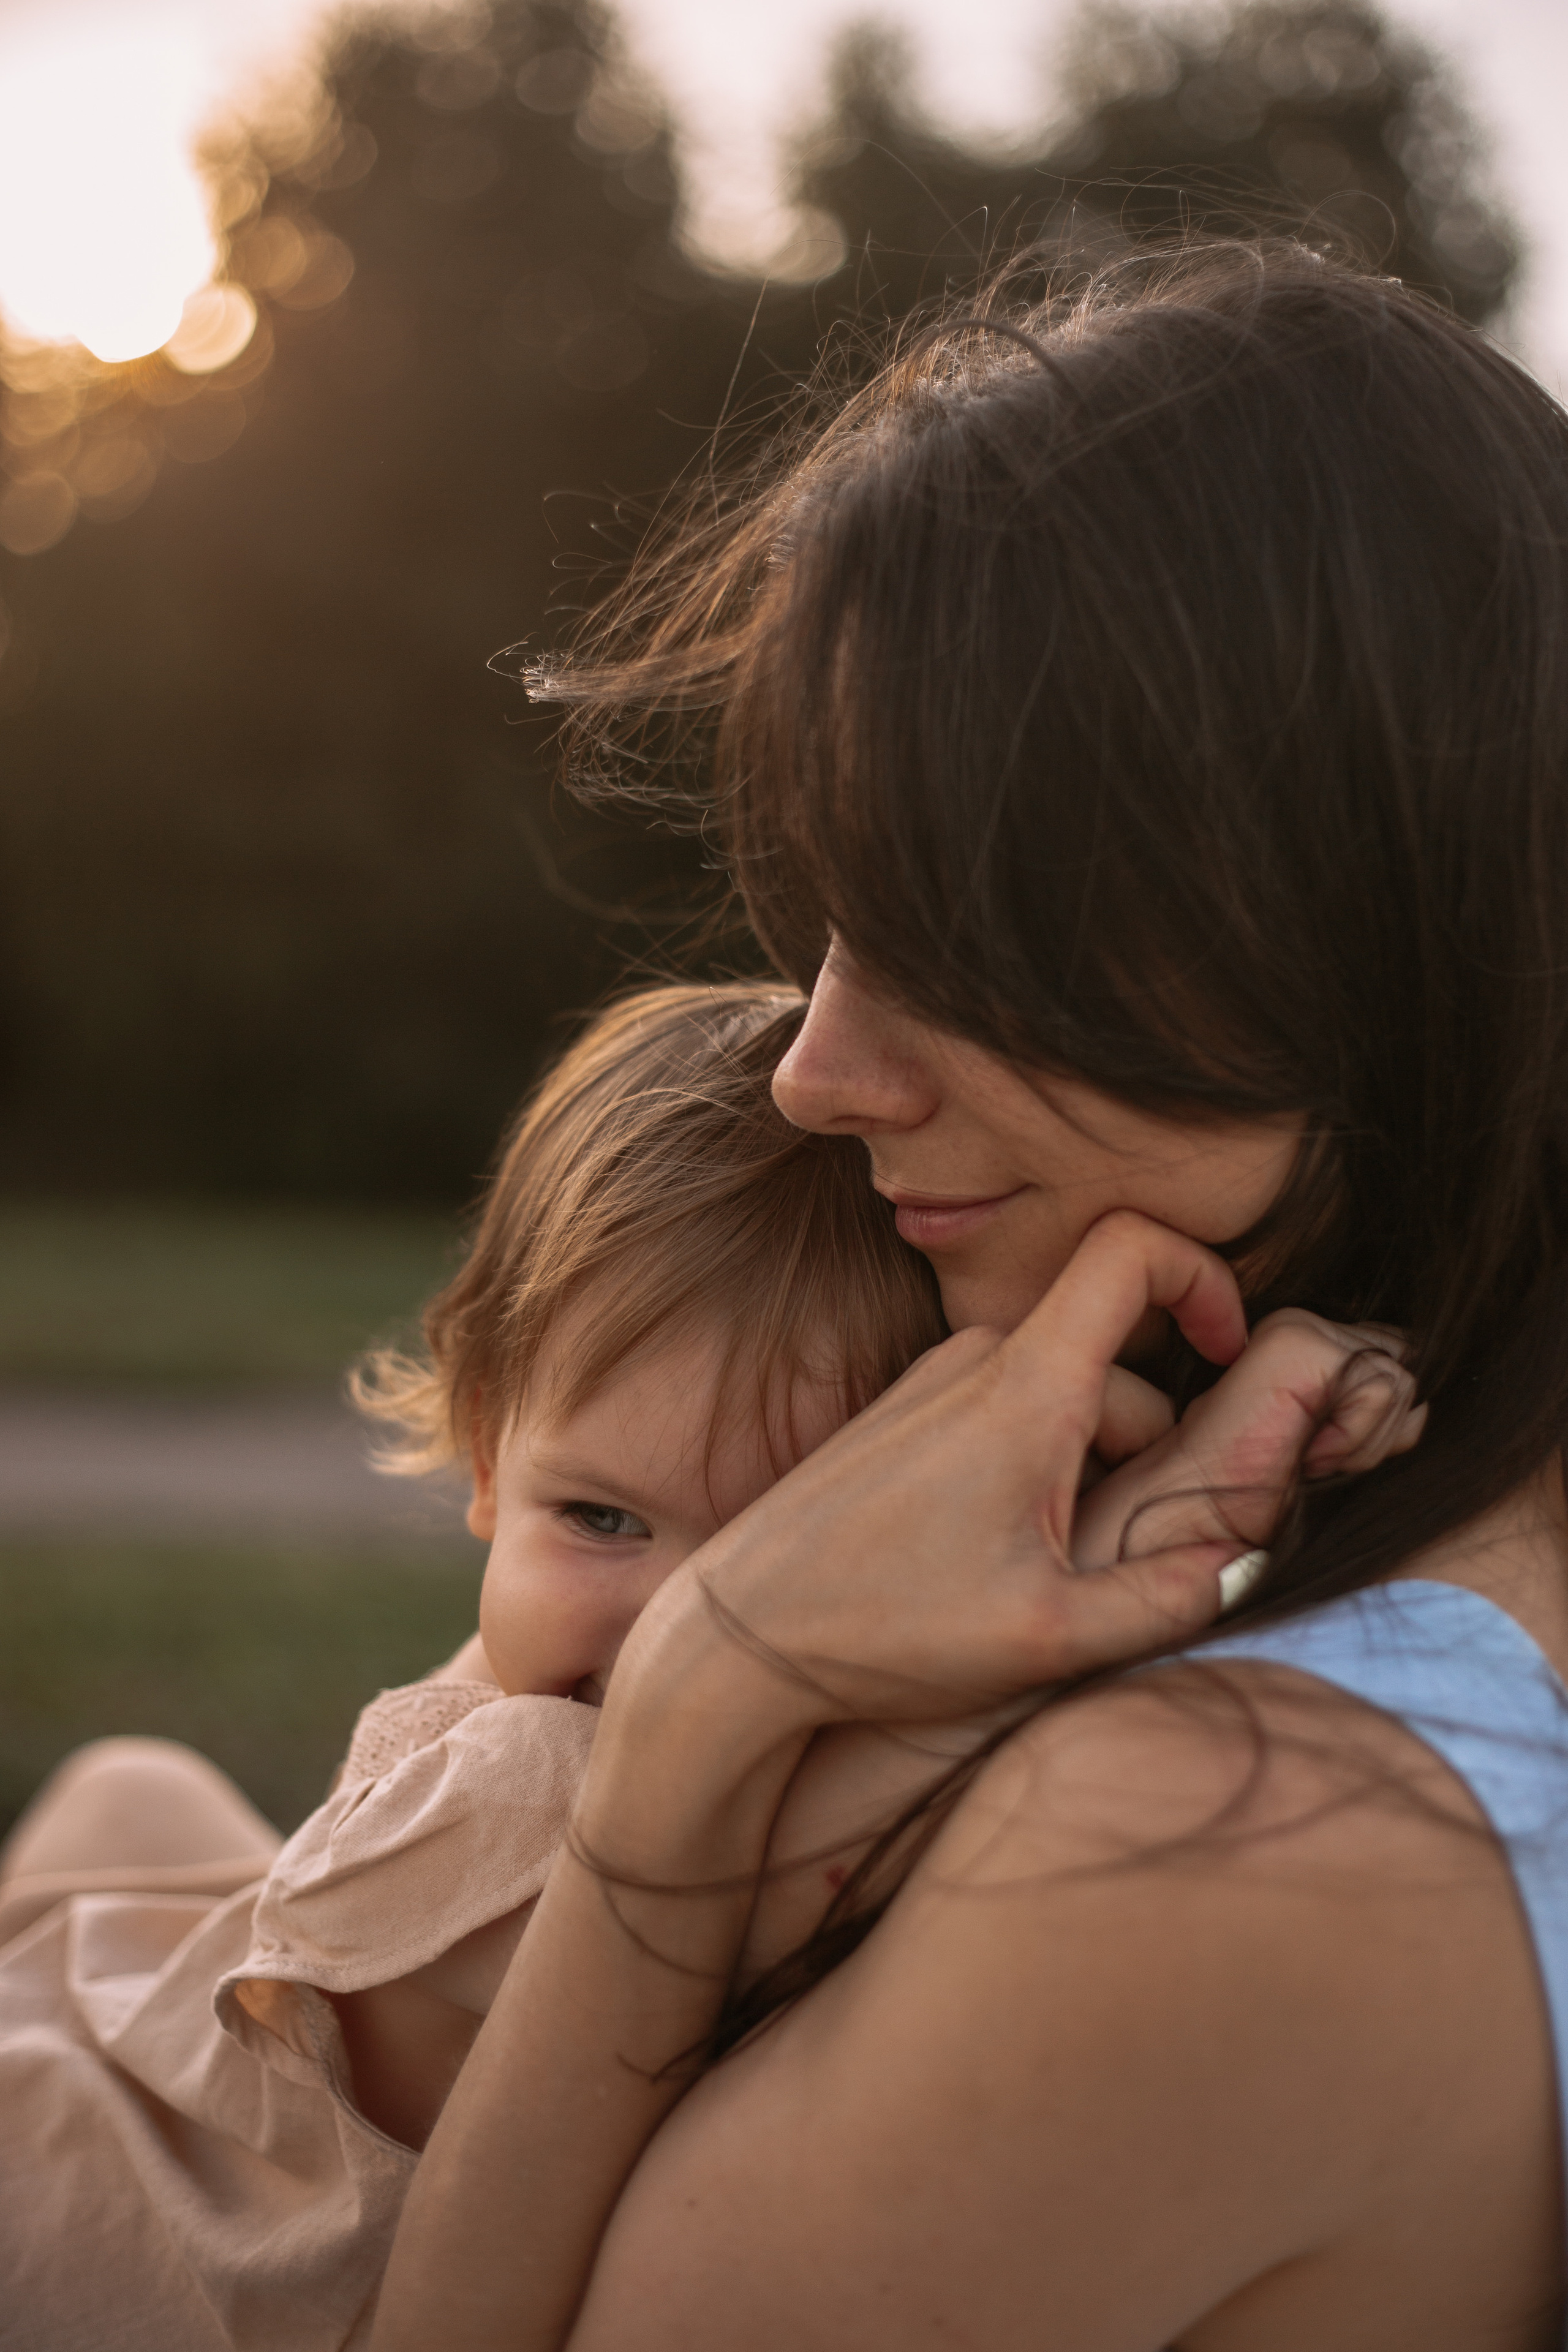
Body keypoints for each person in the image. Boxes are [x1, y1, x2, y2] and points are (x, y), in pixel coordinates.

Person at [368, 241, 1568, 2351]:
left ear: (1358, 918)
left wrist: (704, 1712)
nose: (818, 1071)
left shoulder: (1215, 1848)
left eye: (961, 935)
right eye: (828, 918)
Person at [0, 978, 1388, 2348]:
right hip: (85, 2208)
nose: (668, 1627)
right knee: (126, 1802)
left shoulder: (671, 1756)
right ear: (488, 1456)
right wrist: (1192, 1490)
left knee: (126, 1796)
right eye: (600, 1518)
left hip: (181, 2128)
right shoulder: (546, 1770)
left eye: (778, 1551)